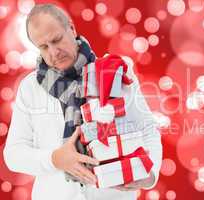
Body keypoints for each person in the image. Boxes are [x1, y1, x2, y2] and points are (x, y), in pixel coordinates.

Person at [3, 4, 162, 200]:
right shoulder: (30, 88)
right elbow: (13, 155)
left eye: (57, 39)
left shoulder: (114, 72)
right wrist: (55, 159)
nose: (54, 52)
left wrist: (149, 177)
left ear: (71, 28)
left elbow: (148, 130)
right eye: (44, 47)